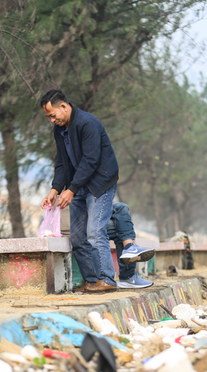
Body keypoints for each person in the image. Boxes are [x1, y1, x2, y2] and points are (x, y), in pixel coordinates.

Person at [40, 89, 120, 293]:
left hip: (100, 183)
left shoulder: (87, 123)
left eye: (52, 115)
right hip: (79, 184)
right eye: (48, 117)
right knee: (76, 237)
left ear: (64, 107)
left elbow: (91, 160)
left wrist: (72, 189)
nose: (52, 120)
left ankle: (107, 279)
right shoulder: (59, 130)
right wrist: (56, 189)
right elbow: (62, 162)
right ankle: (93, 280)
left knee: (94, 232)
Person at [108, 202, 154, 289]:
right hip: (84, 220)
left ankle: (130, 248)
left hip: (95, 213)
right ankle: (128, 276)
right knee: (122, 228)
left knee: (121, 207)